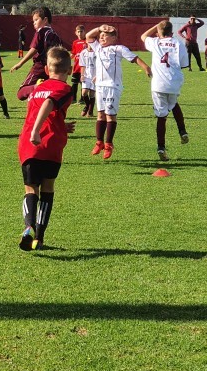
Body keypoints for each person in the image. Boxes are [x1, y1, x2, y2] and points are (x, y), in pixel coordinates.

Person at [17, 46, 76, 251]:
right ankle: (39, 239)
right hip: (49, 144)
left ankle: (28, 227)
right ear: (70, 70)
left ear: (47, 69)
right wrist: (37, 131)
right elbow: (49, 104)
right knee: (47, 188)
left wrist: (59, 125)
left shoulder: (38, 88)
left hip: (28, 145)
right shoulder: (65, 89)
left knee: (31, 188)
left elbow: (39, 109)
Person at [84, 24, 151, 160]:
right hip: (100, 86)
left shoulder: (118, 49)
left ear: (114, 38)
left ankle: (108, 144)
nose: (101, 37)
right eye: (100, 35)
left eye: (105, 35)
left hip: (112, 87)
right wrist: (100, 28)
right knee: (100, 115)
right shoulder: (98, 48)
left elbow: (134, 58)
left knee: (110, 116)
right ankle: (99, 142)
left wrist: (146, 67)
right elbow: (88, 36)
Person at [141, 19, 190, 162]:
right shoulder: (178, 43)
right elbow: (184, 64)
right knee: (173, 104)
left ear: (158, 32)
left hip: (158, 83)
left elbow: (143, 36)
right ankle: (182, 131)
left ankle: (161, 147)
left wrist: (156, 27)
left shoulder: (155, 42)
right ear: (172, 32)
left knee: (161, 116)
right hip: (174, 80)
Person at [10, 6, 61, 100]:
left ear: (45, 20)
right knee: (46, 94)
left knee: (21, 93)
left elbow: (34, 49)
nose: (34, 22)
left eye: (36, 20)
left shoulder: (41, 31)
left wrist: (20, 63)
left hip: (39, 67)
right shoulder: (55, 35)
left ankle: (37, 87)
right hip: (52, 68)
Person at [77, 40, 96, 117]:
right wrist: (82, 75)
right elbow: (82, 65)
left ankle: (90, 111)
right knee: (84, 92)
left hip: (95, 75)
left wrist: (97, 76)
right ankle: (87, 106)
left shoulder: (97, 52)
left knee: (92, 93)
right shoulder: (83, 52)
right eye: (89, 42)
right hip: (86, 75)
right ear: (87, 42)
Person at [70, 24, 87, 102]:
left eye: (81, 31)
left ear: (84, 32)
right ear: (76, 33)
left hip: (84, 68)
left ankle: (82, 99)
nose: (80, 33)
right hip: (76, 67)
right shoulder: (75, 42)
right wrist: (65, 58)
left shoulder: (87, 41)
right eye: (78, 32)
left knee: (83, 83)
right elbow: (73, 54)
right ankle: (73, 99)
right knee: (74, 83)